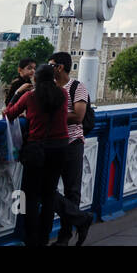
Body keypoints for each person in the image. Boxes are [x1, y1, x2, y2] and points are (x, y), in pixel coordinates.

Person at [5, 65, 84, 246]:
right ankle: (44, 238)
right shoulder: (62, 95)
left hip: (37, 149)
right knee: (49, 195)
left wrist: (17, 93)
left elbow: (9, 114)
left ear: (36, 79)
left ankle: (31, 239)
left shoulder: (30, 96)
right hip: (60, 148)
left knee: (30, 197)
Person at [50, 52, 94, 247]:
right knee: (46, 190)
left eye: (50, 64)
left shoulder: (78, 87)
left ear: (60, 67)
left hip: (72, 143)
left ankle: (64, 238)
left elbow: (78, 116)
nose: (48, 67)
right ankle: (81, 219)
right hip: (50, 144)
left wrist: (51, 114)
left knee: (72, 191)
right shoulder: (48, 88)